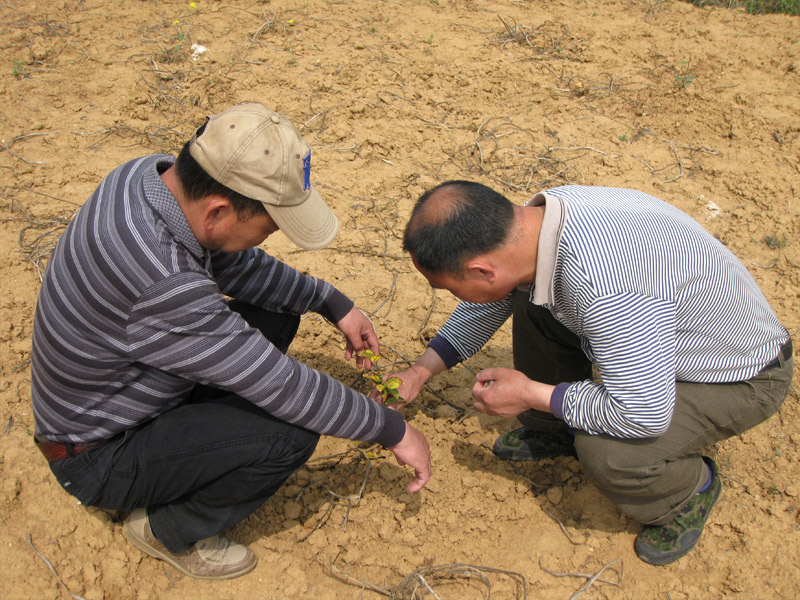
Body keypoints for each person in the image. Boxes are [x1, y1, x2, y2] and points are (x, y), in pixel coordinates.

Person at [30, 102, 431, 580]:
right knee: (288, 435)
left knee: (275, 311)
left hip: (120, 391)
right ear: (218, 209)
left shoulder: (148, 178)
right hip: (98, 454)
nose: (268, 239)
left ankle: (201, 443)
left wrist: (330, 302)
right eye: (269, 227)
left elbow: (231, 262)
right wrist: (391, 429)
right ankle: (167, 529)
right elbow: (281, 385)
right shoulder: (162, 279)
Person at [387, 180, 792, 566]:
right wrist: (422, 371)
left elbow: (643, 412)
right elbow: (493, 297)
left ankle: (689, 492)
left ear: (481, 270)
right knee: (531, 295)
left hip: (738, 374)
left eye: (452, 289)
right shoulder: (537, 225)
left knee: (608, 452)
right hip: (666, 341)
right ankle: (555, 429)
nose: (455, 298)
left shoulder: (605, 284)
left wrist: (531, 394)